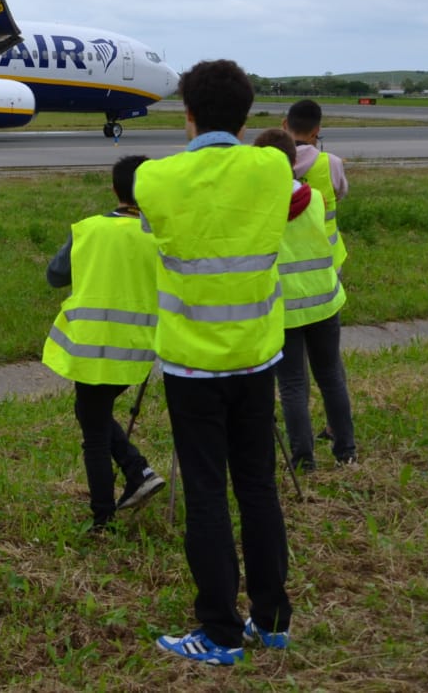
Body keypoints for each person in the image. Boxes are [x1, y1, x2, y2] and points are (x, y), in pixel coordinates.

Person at [135, 59, 294, 666]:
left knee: (206, 494)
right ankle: (272, 620)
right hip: (257, 357)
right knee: (258, 486)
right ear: (248, 115)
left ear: (187, 114)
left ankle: (220, 632)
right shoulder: (273, 166)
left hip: (192, 365)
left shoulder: (156, 177)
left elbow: (153, 227)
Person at [43, 153, 166, 533]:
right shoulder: (160, 235)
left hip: (92, 346)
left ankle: (104, 514)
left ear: (114, 189)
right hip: (138, 349)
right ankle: (136, 470)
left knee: (93, 430)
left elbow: (55, 275)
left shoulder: (88, 229)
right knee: (91, 413)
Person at [253, 129, 357, 469]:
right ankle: (346, 450)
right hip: (324, 300)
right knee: (331, 376)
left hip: (285, 309)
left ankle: (303, 458)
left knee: (293, 384)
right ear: (293, 161)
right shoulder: (315, 198)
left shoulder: (258, 208)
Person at [284, 99, 349, 272]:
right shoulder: (332, 163)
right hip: (326, 257)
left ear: (284, 125)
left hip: (284, 257)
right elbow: (340, 194)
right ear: (316, 131)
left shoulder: (269, 163)